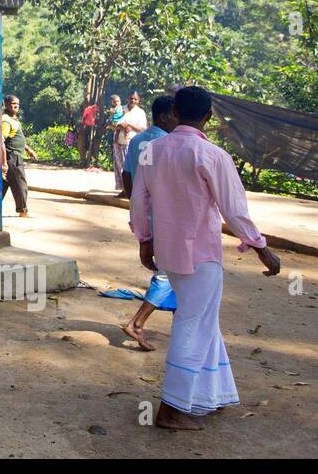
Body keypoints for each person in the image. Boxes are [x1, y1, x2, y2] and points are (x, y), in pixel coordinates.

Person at [129, 86, 280, 431]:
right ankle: (171, 408)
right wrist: (261, 248)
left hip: (168, 251)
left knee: (202, 321)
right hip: (201, 255)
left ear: (176, 114)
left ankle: (208, 394)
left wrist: (144, 240)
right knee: (194, 324)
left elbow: (140, 200)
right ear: (208, 118)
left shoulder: (152, 151)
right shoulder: (212, 155)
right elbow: (234, 209)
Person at [119, 94, 178, 350]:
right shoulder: (170, 144)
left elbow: (127, 175)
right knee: (167, 272)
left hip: (146, 213)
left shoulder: (138, 141)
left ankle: (182, 323)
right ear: (166, 116)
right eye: (177, 115)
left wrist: (137, 207)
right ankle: (137, 323)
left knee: (179, 270)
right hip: (168, 216)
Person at [0, 95, 39, 217]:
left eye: (17, 103)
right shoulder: (6, 120)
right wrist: (4, 162)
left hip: (14, 156)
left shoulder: (14, 119)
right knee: (20, 184)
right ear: (6, 104)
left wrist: (28, 149)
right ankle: (23, 212)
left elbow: (17, 137)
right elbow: (0, 141)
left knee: (3, 185)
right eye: (13, 103)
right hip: (12, 158)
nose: (16, 106)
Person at [112, 92, 147, 191]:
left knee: (128, 167)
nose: (133, 101)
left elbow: (142, 129)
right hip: (118, 141)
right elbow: (114, 122)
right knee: (119, 166)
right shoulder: (121, 109)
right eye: (131, 98)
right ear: (128, 98)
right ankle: (123, 189)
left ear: (138, 100)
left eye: (135, 99)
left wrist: (130, 126)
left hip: (132, 142)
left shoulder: (140, 112)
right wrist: (120, 126)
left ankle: (130, 189)